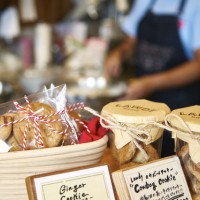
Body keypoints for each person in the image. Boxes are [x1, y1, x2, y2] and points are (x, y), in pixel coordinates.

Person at [105, 0, 200, 157]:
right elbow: (130, 41)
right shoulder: (146, 2)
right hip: (142, 110)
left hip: (181, 113)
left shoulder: (195, 5)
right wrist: (119, 53)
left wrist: (151, 84)